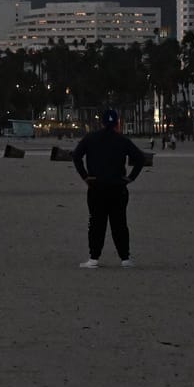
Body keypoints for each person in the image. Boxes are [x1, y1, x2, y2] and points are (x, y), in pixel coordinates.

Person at [71, 107, 147, 269]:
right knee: (119, 223)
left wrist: (85, 176)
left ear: (102, 122)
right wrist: (130, 178)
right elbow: (140, 159)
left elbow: (76, 156)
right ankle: (125, 258)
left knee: (96, 223)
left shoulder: (91, 138)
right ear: (117, 123)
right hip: (117, 187)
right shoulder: (122, 140)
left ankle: (94, 258)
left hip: (96, 186)